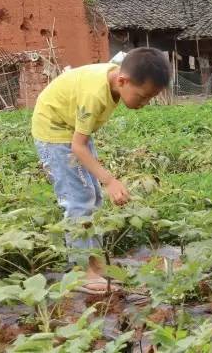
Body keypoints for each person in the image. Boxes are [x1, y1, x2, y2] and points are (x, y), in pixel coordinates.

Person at [31, 47, 170, 293]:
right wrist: (110, 181)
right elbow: (78, 146)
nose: (145, 103)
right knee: (79, 200)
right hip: (54, 132)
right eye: (142, 96)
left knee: (91, 196)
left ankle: (94, 263)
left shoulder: (118, 73)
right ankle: (81, 271)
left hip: (72, 126)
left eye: (149, 98)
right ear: (122, 81)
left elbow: (124, 58)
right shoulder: (95, 95)